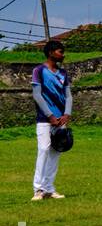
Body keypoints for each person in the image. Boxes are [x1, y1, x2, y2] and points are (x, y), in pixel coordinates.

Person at [31, 39, 71, 201]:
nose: (63, 54)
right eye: (60, 51)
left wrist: (66, 114)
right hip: (44, 119)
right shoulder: (39, 70)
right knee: (44, 150)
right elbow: (37, 95)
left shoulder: (63, 74)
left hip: (61, 119)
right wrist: (50, 115)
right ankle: (38, 189)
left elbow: (68, 95)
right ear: (50, 53)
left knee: (56, 152)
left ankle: (49, 188)